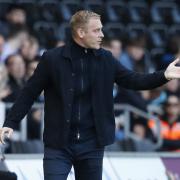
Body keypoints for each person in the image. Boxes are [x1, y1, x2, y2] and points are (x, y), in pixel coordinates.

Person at [0, 10, 180, 180]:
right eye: (97, 30)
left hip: (92, 144)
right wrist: (11, 122)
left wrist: (163, 75)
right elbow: (29, 93)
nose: (102, 34)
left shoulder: (106, 59)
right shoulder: (52, 59)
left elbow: (134, 80)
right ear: (80, 32)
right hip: (58, 144)